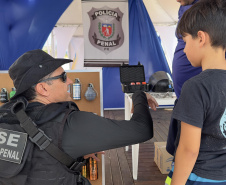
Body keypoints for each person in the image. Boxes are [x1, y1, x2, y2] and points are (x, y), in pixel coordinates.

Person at [0, 49, 158, 185]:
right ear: (42, 88)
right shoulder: (71, 123)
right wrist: (139, 95)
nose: (69, 81)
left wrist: (69, 151)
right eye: (63, 77)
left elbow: (33, 156)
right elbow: (142, 130)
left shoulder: (5, 119)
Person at [165, 0, 226, 184]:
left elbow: (189, 150)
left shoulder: (196, 86)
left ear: (200, 38)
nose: (183, 49)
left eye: (184, 41)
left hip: (198, 177)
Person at [166, 0, 202, 155]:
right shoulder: (183, 9)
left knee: (189, 148)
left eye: (185, 42)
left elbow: (189, 151)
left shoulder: (212, 9)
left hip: (198, 100)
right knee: (178, 145)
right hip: (183, 98)